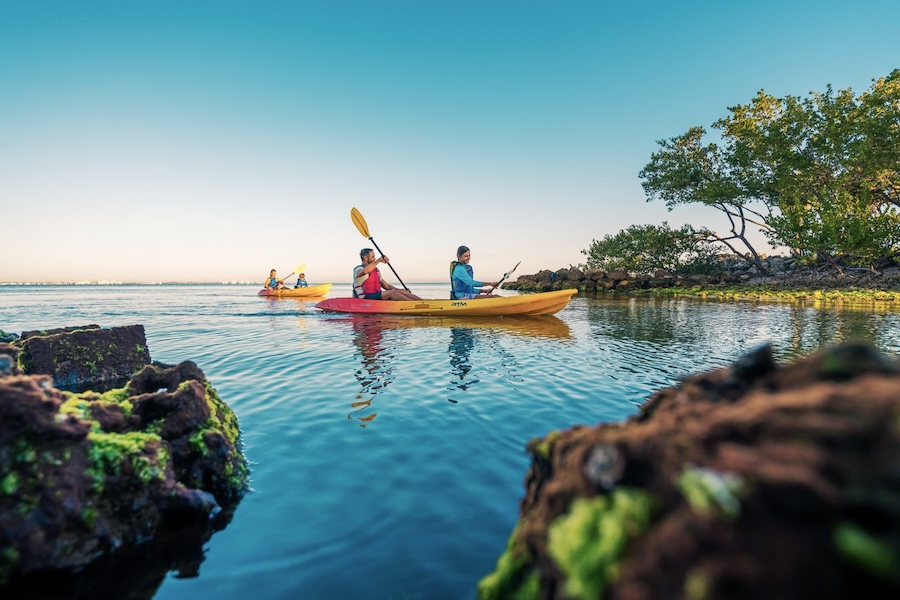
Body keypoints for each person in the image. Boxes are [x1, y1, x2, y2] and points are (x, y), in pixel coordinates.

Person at [353, 248, 422, 300]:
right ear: (365, 258)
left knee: (403, 292)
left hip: (376, 295)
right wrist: (379, 260)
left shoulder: (375, 270)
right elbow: (364, 272)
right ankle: (415, 305)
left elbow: (386, 286)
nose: (375, 259)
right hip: (365, 298)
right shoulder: (358, 269)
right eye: (373, 257)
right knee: (392, 292)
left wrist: (401, 290)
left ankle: (423, 302)